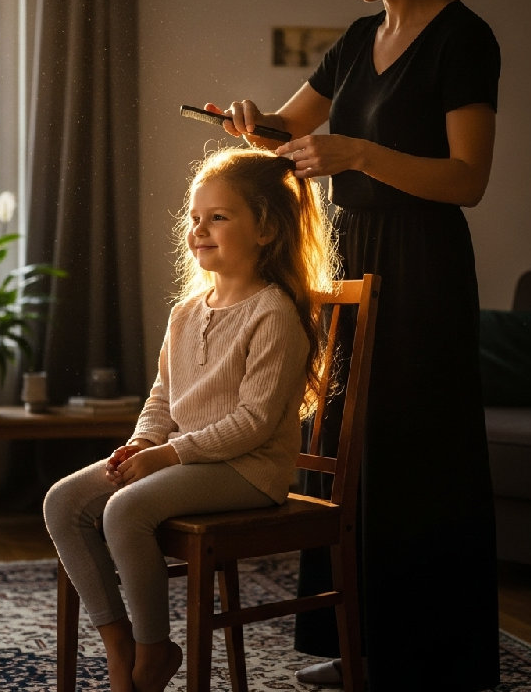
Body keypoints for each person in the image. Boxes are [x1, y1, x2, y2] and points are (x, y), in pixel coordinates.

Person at [205, 0, 501, 690]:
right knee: (349, 453)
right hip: (355, 260)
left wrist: (361, 155)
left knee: (415, 452)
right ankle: (361, 645)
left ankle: (436, 659)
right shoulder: (357, 41)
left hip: (424, 267)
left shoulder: (464, 39)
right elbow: (286, 130)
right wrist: (248, 121)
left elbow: (467, 178)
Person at [44, 147, 338, 692]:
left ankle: (154, 653)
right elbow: (162, 396)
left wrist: (168, 454)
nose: (199, 229)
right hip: (184, 457)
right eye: (194, 218)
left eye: (219, 218)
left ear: (266, 230)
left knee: (126, 510)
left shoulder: (274, 312)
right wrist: (142, 442)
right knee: (63, 501)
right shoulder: (186, 312)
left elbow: (252, 423)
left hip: (248, 471)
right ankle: (122, 646)